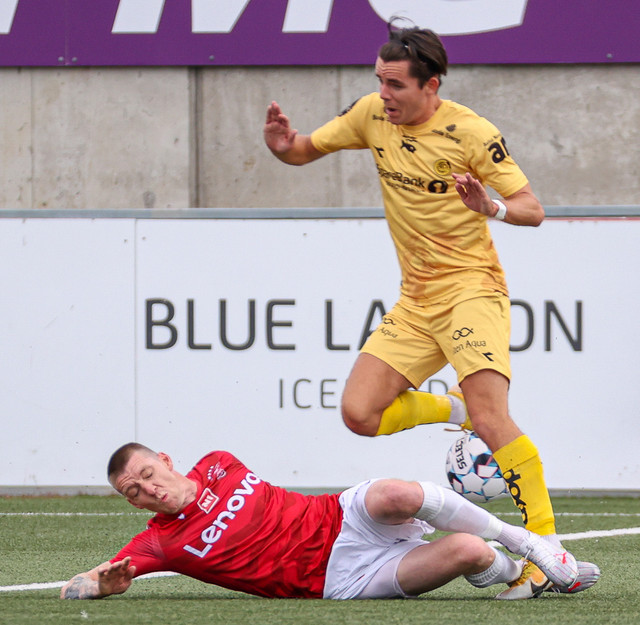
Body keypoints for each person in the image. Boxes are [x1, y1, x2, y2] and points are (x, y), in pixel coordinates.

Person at [262, 20, 598, 598]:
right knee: (360, 414)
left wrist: (490, 207)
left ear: (431, 84)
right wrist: (282, 146)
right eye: (379, 81)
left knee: (492, 419)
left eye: (395, 84)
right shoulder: (372, 114)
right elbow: (303, 149)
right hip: (416, 300)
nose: (383, 93)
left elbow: (532, 208)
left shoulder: (472, 132)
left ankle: (545, 549)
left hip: (471, 290)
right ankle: (452, 407)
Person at [60, 443, 598, 602]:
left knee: (397, 493)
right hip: (339, 579)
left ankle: (528, 543)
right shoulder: (159, 544)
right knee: (467, 551)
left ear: (166, 461)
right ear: (134, 505)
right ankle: (516, 574)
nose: (149, 488)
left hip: (337, 517)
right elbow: (79, 584)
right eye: (135, 491)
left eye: (148, 474)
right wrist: (97, 585)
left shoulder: (219, 463)